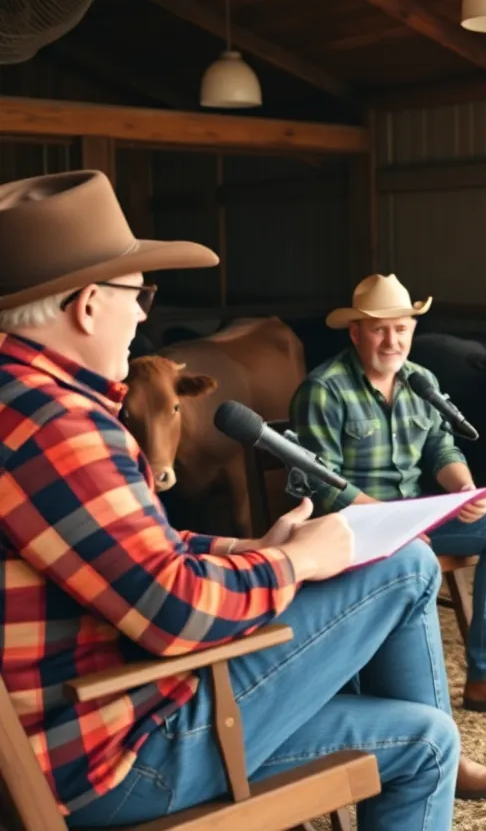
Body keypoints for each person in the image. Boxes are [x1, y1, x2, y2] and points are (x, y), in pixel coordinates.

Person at [0, 170, 460, 830]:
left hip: (52, 732)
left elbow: (117, 553)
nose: (140, 314)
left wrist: (244, 550)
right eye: (139, 295)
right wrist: (300, 562)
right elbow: (175, 611)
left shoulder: (18, 406)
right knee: (406, 563)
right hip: (107, 759)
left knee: (427, 735)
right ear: (89, 304)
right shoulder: (60, 428)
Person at [288, 274, 486, 800]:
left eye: (401, 329)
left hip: (415, 522)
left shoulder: (420, 380)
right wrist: (388, 522)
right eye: (379, 331)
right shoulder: (323, 389)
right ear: (355, 333)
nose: (392, 342)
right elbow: (321, 484)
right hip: (353, 531)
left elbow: (441, 448)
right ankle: (442, 746)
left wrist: (461, 486)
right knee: (414, 562)